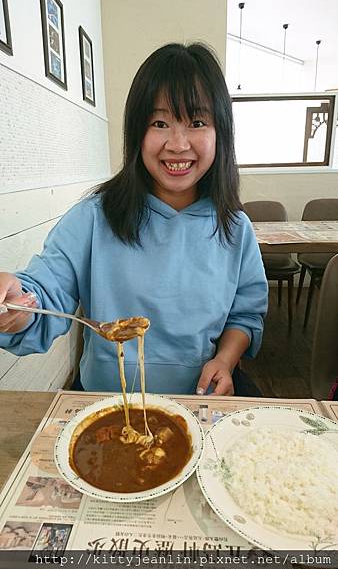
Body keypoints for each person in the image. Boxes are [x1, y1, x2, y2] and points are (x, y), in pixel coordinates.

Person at [0, 42, 268, 396]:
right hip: (106, 403)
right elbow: (47, 291)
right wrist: (18, 305)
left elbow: (245, 315)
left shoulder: (234, 229)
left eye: (197, 122)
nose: (177, 143)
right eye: (160, 122)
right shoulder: (94, 217)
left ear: (221, 134)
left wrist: (226, 359)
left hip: (197, 402)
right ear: (136, 133)